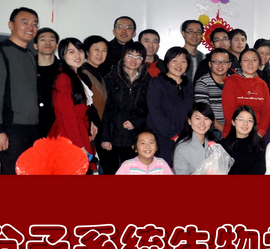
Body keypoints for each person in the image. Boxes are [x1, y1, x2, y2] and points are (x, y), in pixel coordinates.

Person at [0, 7, 38, 173]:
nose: (30, 27)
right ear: (11, 25)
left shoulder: (30, 54)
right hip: (11, 130)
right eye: (25, 22)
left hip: (32, 129)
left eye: (34, 24)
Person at [100, 41, 151, 175]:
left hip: (133, 137)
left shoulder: (148, 81)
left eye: (138, 57)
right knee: (110, 173)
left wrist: (136, 123)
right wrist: (105, 137)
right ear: (123, 57)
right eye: (130, 55)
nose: (133, 60)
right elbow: (104, 109)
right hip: (112, 134)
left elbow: (149, 109)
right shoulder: (110, 78)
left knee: (133, 173)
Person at [49, 38, 97, 170]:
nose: (77, 55)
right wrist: (79, 145)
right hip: (68, 133)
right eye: (71, 52)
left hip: (77, 131)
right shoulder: (63, 78)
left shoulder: (77, 77)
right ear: (62, 55)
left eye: (80, 51)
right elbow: (68, 115)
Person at [146, 47, 195, 166]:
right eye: (174, 60)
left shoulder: (188, 85)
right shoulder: (157, 82)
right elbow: (155, 111)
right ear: (167, 63)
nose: (179, 65)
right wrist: (172, 134)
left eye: (183, 61)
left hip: (183, 137)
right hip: (162, 136)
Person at [222, 48, 270, 138]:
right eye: (246, 60)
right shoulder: (231, 82)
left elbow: (266, 113)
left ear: (259, 63)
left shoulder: (263, 85)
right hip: (233, 134)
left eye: (254, 60)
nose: (250, 63)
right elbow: (228, 113)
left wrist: (260, 133)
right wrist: (241, 134)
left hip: (256, 135)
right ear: (240, 63)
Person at [81, 35, 109, 152]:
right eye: (96, 49)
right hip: (87, 129)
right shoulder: (83, 73)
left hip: (96, 129)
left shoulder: (99, 74)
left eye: (104, 50)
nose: (100, 53)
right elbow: (85, 104)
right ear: (87, 52)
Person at [195, 48, 232, 137]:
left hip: (232, 129)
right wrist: (223, 130)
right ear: (210, 64)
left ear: (229, 64)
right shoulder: (202, 83)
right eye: (216, 62)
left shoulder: (234, 81)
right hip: (212, 130)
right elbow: (205, 112)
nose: (220, 65)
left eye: (224, 62)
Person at [172, 103, 216, 176]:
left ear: (211, 122)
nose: (202, 123)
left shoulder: (215, 144)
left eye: (206, 118)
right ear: (189, 121)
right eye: (198, 118)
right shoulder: (182, 148)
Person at [221, 105, 266, 175]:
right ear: (233, 122)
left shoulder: (259, 143)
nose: (245, 124)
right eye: (241, 119)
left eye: (250, 120)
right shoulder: (222, 146)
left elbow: (260, 171)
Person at [33, 27, 60, 139]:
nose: (48, 43)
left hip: (56, 127)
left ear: (57, 45)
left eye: (52, 40)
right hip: (31, 127)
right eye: (43, 39)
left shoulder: (64, 70)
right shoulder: (27, 68)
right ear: (35, 45)